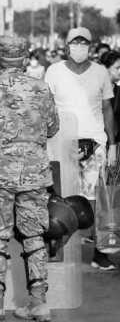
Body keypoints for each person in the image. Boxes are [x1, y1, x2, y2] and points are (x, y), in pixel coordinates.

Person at [0, 36, 59, 322]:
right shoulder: (41, 88)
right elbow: (53, 127)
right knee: (34, 237)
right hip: (34, 175)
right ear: (24, 56)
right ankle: (39, 302)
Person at [44, 27, 118, 271]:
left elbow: (107, 108)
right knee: (59, 199)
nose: (79, 46)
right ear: (66, 46)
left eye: (84, 42)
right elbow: (46, 107)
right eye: (74, 42)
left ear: (91, 46)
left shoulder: (100, 73)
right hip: (60, 144)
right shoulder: (54, 71)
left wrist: (112, 143)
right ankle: (56, 249)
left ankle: (101, 253)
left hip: (95, 144)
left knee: (101, 202)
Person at [101, 50, 120, 143]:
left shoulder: (118, 91)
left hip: (115, 143)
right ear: (105, 68)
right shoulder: (94, 90)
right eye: (117, 68)